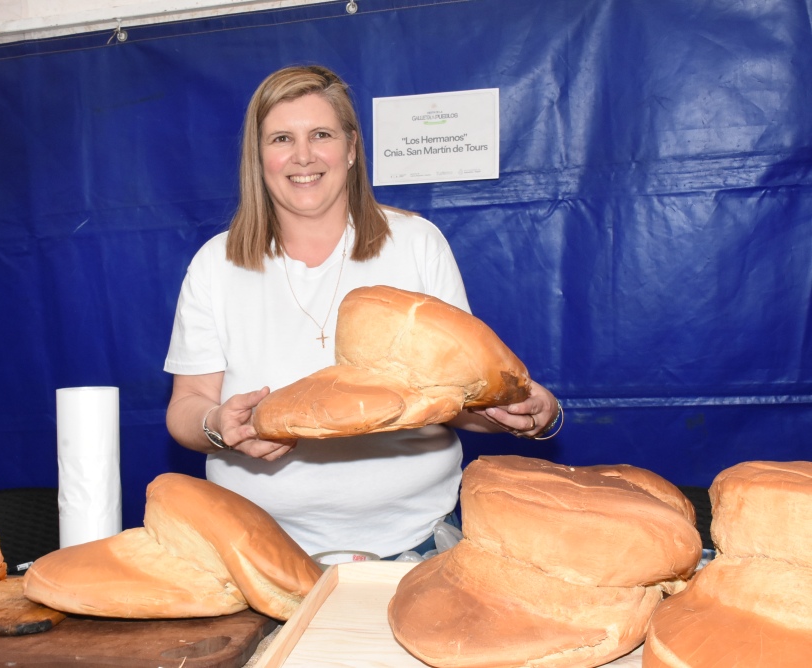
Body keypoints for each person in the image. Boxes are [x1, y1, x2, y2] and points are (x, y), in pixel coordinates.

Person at [164, 64, 561, 559]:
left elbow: (458, 397)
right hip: (254, 547)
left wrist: (514, 411)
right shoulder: (215, 265)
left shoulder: (416, 244)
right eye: (281, 138)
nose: (302, 156)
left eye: (321, 134)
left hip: (415, 541)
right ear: (258, 156)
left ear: (351, 149)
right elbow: (187, 407)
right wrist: (219, 423)